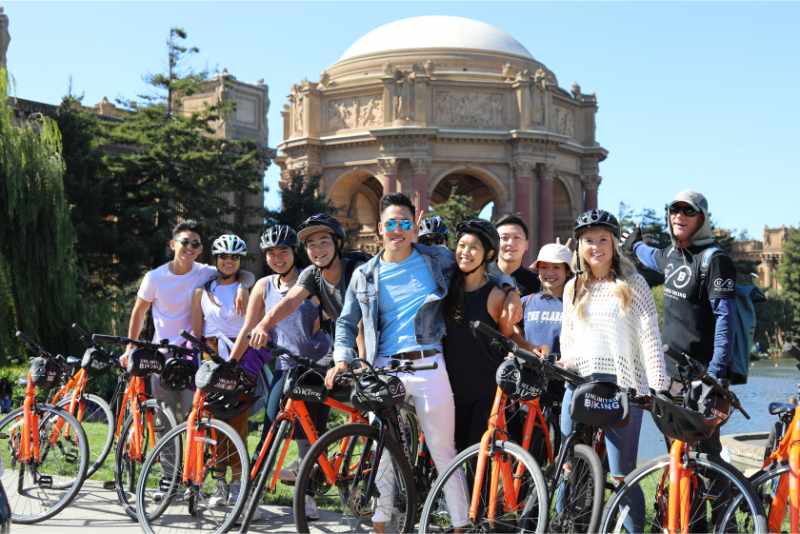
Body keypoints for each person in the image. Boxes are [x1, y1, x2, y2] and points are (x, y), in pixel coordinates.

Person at [326, 193, 521, 533]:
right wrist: (342, 359)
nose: (397, 230)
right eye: (391, 224)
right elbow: (346, 322)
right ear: (379, 228)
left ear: (414, 226)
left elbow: (481, 267)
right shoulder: (365, 274)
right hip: (386, 368)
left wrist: (510, 288)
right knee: (384, 451)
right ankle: (381, 526)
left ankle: (461, 526)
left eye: (404, 223)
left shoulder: (438, 260)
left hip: (430, 364)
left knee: (444, 450)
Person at [624, 190, 738, 530]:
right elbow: (645, 255)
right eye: (674, 210)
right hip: (669, 375)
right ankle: (681, 523)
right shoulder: (670, 254)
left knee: (706, 458)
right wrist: (633, 245)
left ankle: (723, 524)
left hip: (703, 377)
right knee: (678, 454)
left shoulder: (714, 259)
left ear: (701, 218)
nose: (679, 216)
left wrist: (714, 376)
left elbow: (725, 319)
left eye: (688, 211)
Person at [560, 209, 669, 533]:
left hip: (623, 386)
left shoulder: (632, 284)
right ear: (580, 246)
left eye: (603, 240)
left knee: (624, 475)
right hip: (580, 382)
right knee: (568, 466)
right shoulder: (572, 287)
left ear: (613, 244)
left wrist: (657, 383)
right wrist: (566, 363)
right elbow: (568, 337)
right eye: (589, 240)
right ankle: (565, 524)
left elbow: (649, 335)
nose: (596, 246)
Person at [228, 224, 330, 520]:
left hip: (315, 367)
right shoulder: (263, 286)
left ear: (293, 252)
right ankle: (252, 498)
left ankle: (307, 496)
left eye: (283, 251)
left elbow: (323, 325)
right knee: (271, 428)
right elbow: (249, 328)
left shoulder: (312, 280)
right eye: (271, 253)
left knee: (311, 434)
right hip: (284, 367)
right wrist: (233, 364)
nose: (277, 257)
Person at [121, 220, 254, 422]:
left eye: (196, 244)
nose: (190, 248)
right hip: (162, 354)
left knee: (193, 415)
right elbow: (139, 312)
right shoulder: (155, 277)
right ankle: (166, 455)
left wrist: (243, 286)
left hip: (192, 356)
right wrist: (131, 345)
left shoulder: (206, 273)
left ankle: (191, 455)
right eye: (185, 242)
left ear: (200, 250)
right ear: (172, 244)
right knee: (163, 416)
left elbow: (239, 271)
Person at [189, 233, 268, 507]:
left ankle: (237, 483)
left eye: (234, 257)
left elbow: (253, 322)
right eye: (224, 256)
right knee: (213, 422)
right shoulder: (202, 291)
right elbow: (197, 331)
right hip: (211, 357)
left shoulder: (247, 287)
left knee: (238, 421)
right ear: (216, 259)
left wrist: (242, 288)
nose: (228, 261)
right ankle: (218, 481)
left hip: (239, 358)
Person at [443, 219, 515, 452]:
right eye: (461, 245)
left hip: (484, 393)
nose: (465, 252)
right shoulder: (445, 288)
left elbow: (508, 336)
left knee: (479, 463)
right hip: (448, 389)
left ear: (489, 253)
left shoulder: (496, 295)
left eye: (474, 247)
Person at [494, 213, 541, 296]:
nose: (511, 243)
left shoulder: (538, 284)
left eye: (516, 237)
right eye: (504, 238)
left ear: (526, 244)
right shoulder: (480, 280)